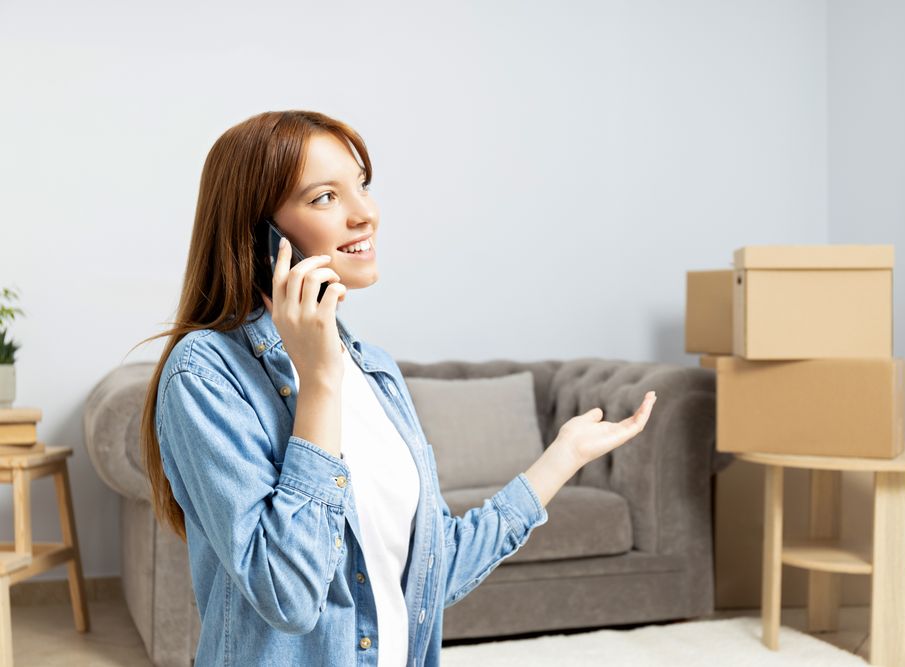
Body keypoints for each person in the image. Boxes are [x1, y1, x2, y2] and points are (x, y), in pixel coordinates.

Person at [135, 110, 657, 666]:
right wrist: (318, 384)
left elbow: (429, 570)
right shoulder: (208, 375)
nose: (365, 214)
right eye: (324, 198)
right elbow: (288, 595)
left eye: (361, 186)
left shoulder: (375, 371)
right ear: (262, 235)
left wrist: (562, 458)